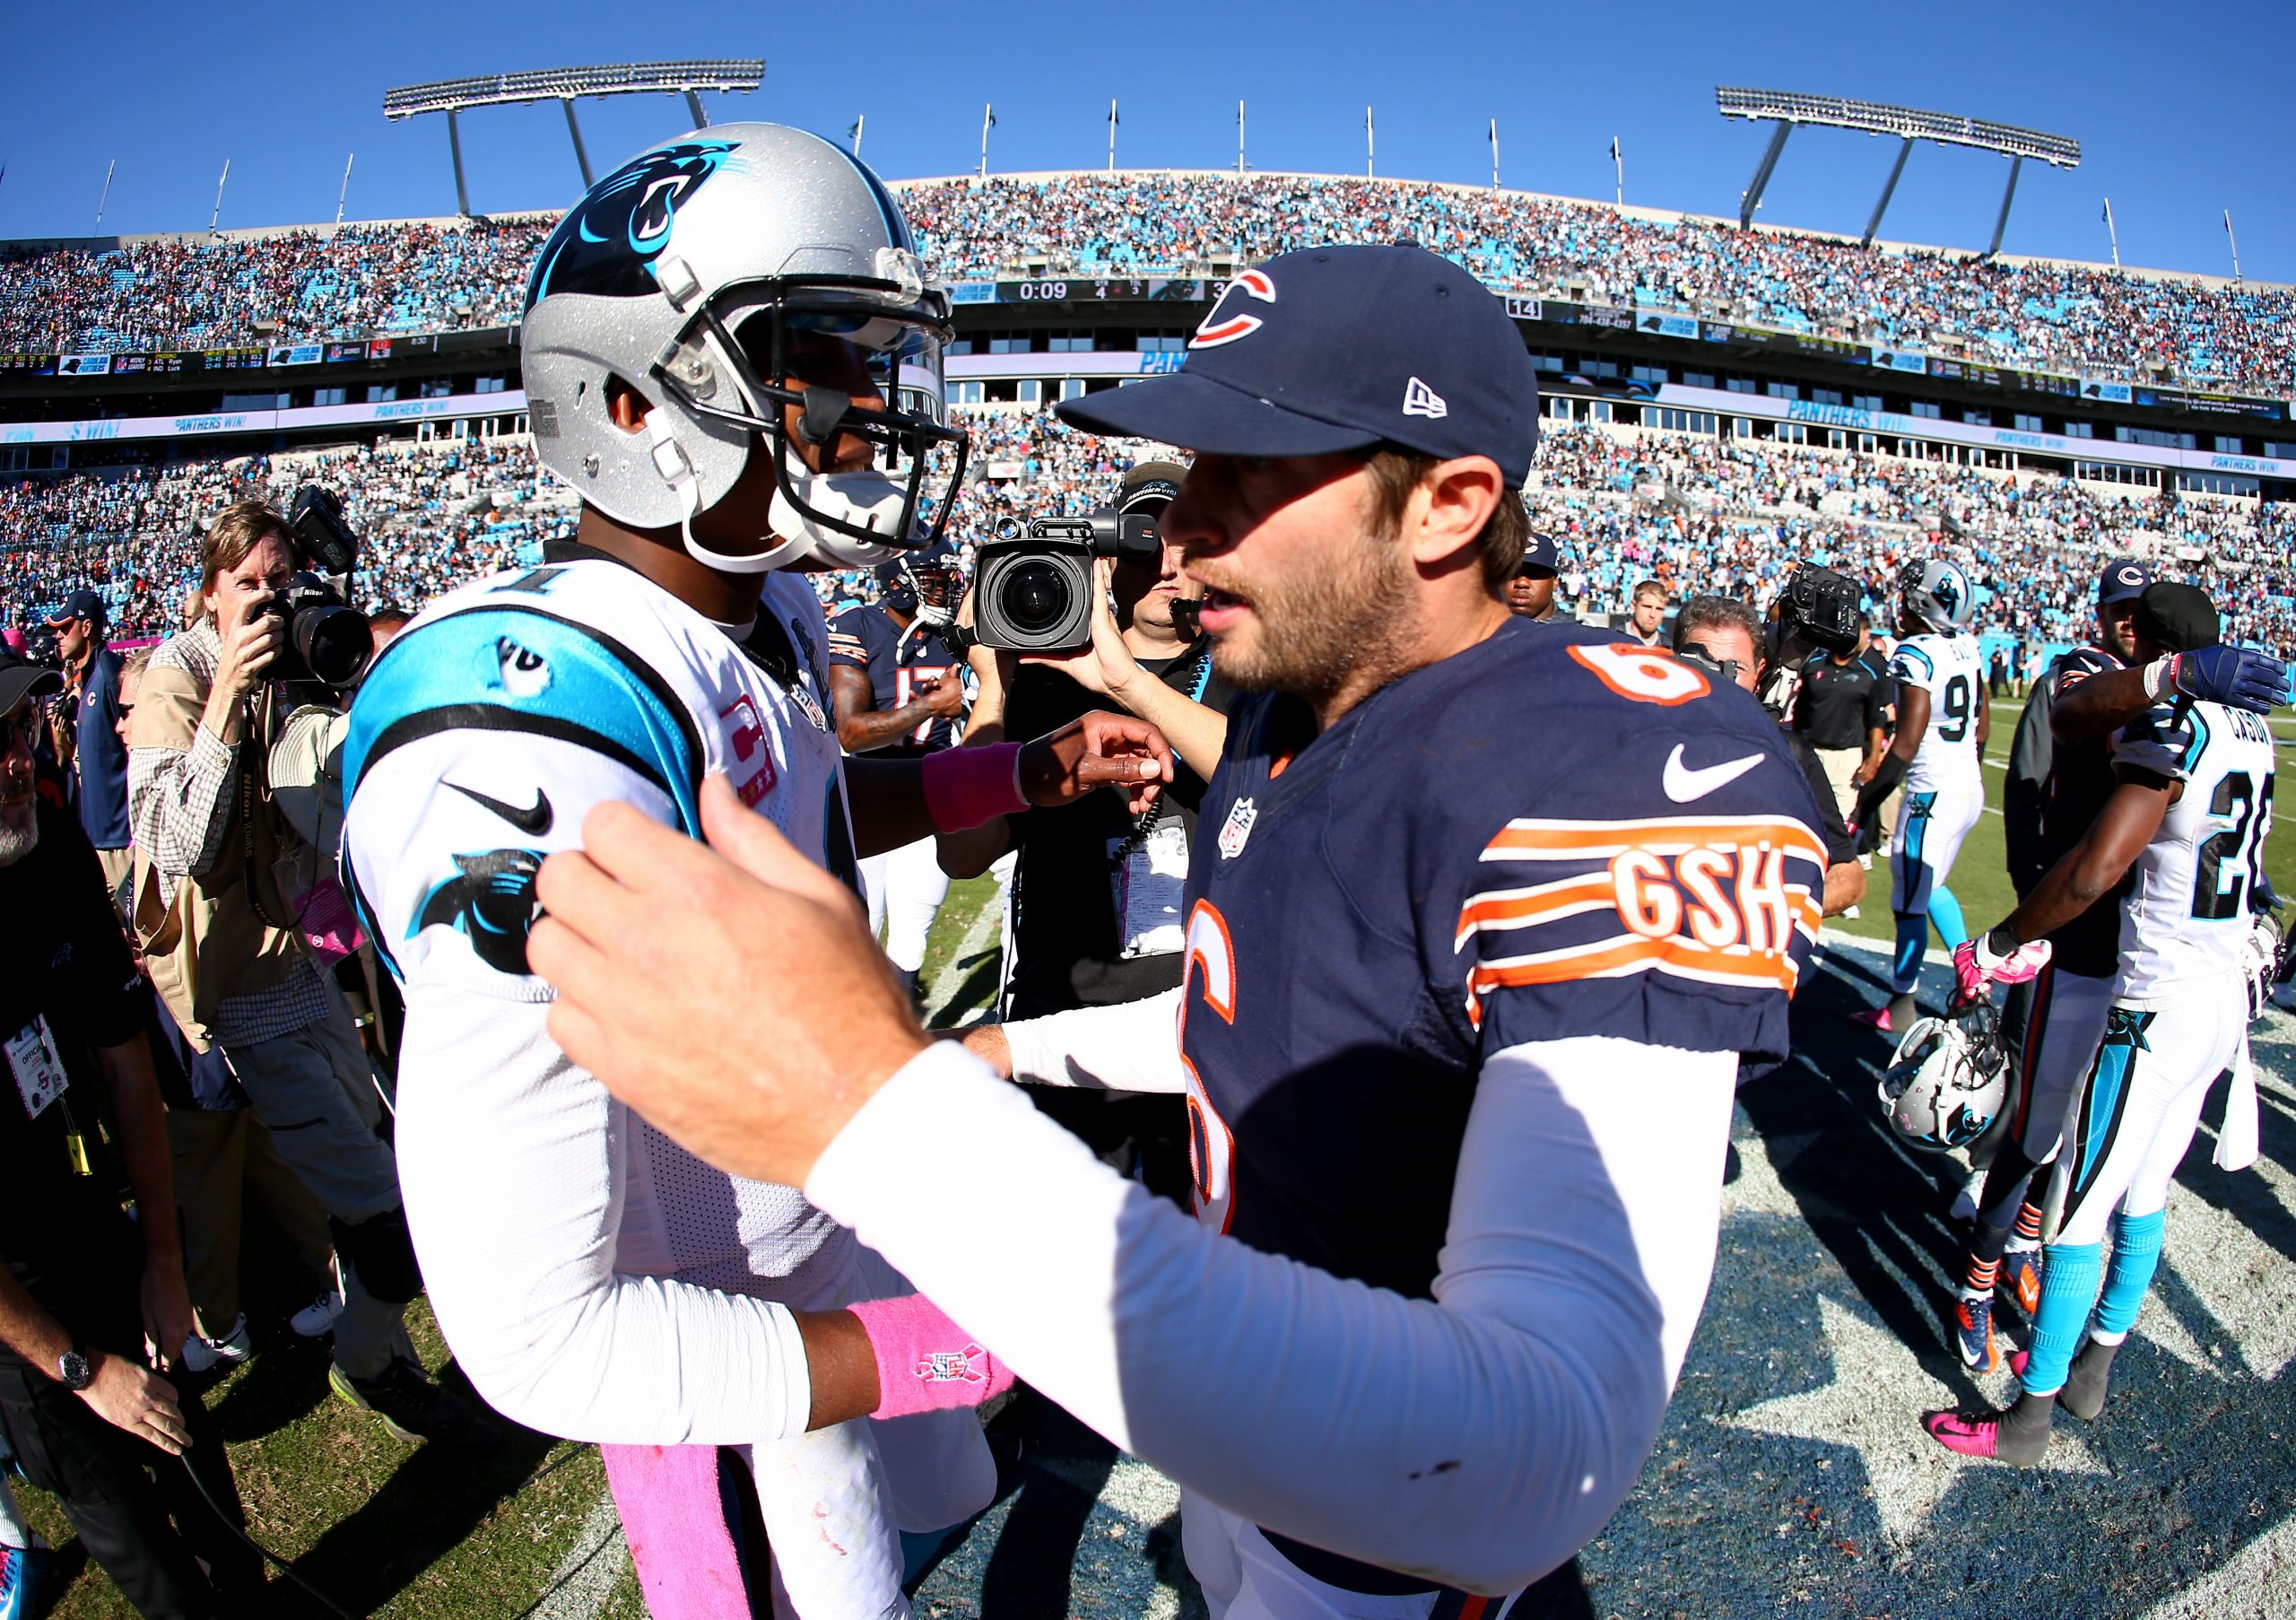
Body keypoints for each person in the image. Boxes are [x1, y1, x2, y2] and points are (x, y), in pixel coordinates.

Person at [525, 243, 1832, 1615]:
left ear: (1447, 505)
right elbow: (1257, 995)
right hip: (1247, 1415)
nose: (1176, 530)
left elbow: (1544, 1457)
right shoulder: (1297, 692)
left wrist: (877, 1110)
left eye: (1245, 479)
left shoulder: (1598, 766)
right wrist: (1006, 1053)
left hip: (1389, 1531)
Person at [338, 123, 1168, 1620]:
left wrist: (1020, 771)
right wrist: (952, 1344)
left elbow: (804, 811)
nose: (868, 412)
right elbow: (529, 1331)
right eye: (821, 358)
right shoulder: (529, 714)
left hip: (815, 1233)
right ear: (627, 395)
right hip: (711, 1341)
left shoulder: (751, 609)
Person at [126, 501, 483, 1446]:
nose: (269, 603)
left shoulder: (297, 653)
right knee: (381, 1217)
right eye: (248, 585)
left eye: (280, 582)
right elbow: (173, 848)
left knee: (384, 1173)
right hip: (239, 993)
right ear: (208, 594)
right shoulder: (175, 678)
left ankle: (383, 1354)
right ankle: (368, 1366)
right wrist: (223, 708)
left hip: (301, 966)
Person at [1926, 583, 2280, 1464]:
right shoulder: (2256, 733)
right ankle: (2093, 1364)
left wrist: (2002, 940)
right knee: (2147, 1191)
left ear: (2154, 640)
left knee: (2078, 1210)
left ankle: (2028, 1419)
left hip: (2148, 996)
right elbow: (2073, 710)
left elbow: (2093, 868)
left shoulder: (2178, 727)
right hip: (2216, 998)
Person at [0, 646, 265, 1620]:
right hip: (16, 1300)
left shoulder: (50, 844)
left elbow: (123, 1063)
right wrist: (77, 1369)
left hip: (87, 1211)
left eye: (24, 729)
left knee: (192, 1457)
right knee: (131, 1532)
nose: (20, 757)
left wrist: (160, 1262)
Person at [937, 463, 1234, 1195]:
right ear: (1103, 560)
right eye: (1143, 542)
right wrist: (995, 686)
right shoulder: (1044, 681)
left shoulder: (1243, 667)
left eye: (1185, 542)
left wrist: (1129, 685)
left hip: (1195, 1020)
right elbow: (964, 852)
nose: (1166, 563)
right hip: (1059, 1017)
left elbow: (1266, 776)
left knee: (1205, 1269)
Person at [1848, 560, 1987, 1034]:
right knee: (1933, 886)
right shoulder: (1967, 645)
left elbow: (1906, 742)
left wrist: (1868, 800)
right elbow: (1981, 724)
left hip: (1932, 792)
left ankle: (1902, 1005)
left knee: (1908, 903)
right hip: (1967, 786)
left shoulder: (1915, 653)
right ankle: (1973, 974)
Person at [831, 543, 968, 1001]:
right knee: (859, 927)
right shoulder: (858, 626)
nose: (946, 588)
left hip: (928, 788)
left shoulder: (951, 636)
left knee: (911, 933)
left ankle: (899, 1041)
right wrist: (931, 705)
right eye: (932, 579)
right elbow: (850, 731)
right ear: (897, 584)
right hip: (865, 790)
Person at [1676, 589, 1861, 918]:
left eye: (1736, 667)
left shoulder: (1788, 753)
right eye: (1702, 663)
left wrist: (1771, 914)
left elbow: (1848, 875)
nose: (1721, 679)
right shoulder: (1634, 736)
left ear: (1761, 671)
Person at [45, 590, 133, 901]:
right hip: (97, 835)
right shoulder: (89, 679)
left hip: (120, 840)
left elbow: (132, 747)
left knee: (139, 938)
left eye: (65, 626)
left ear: (86, 628)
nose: (58, 635)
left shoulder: (110, 673)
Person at [1792, 618, 1889, 826]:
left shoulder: (1868, 675)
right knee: (1802, 811)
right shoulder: (1812, 667)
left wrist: (1873, 758)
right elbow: (1800, 711)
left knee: (1838, 821)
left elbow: (1876, 721)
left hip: (1846, 758)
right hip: (1811, 751)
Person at [1501, 531, 1561, 622]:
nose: (1522, 583)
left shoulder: (1579, 635)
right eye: (1511, 573)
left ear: (1555, 583)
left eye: (1535, 573)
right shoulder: (1476, 631)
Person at [1626, 578, 1667, 645]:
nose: (1652, 615)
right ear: (1633, 606)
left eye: (1659, 609)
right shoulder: (1610, 641)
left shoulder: (1669, 650)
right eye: (1647, 607)